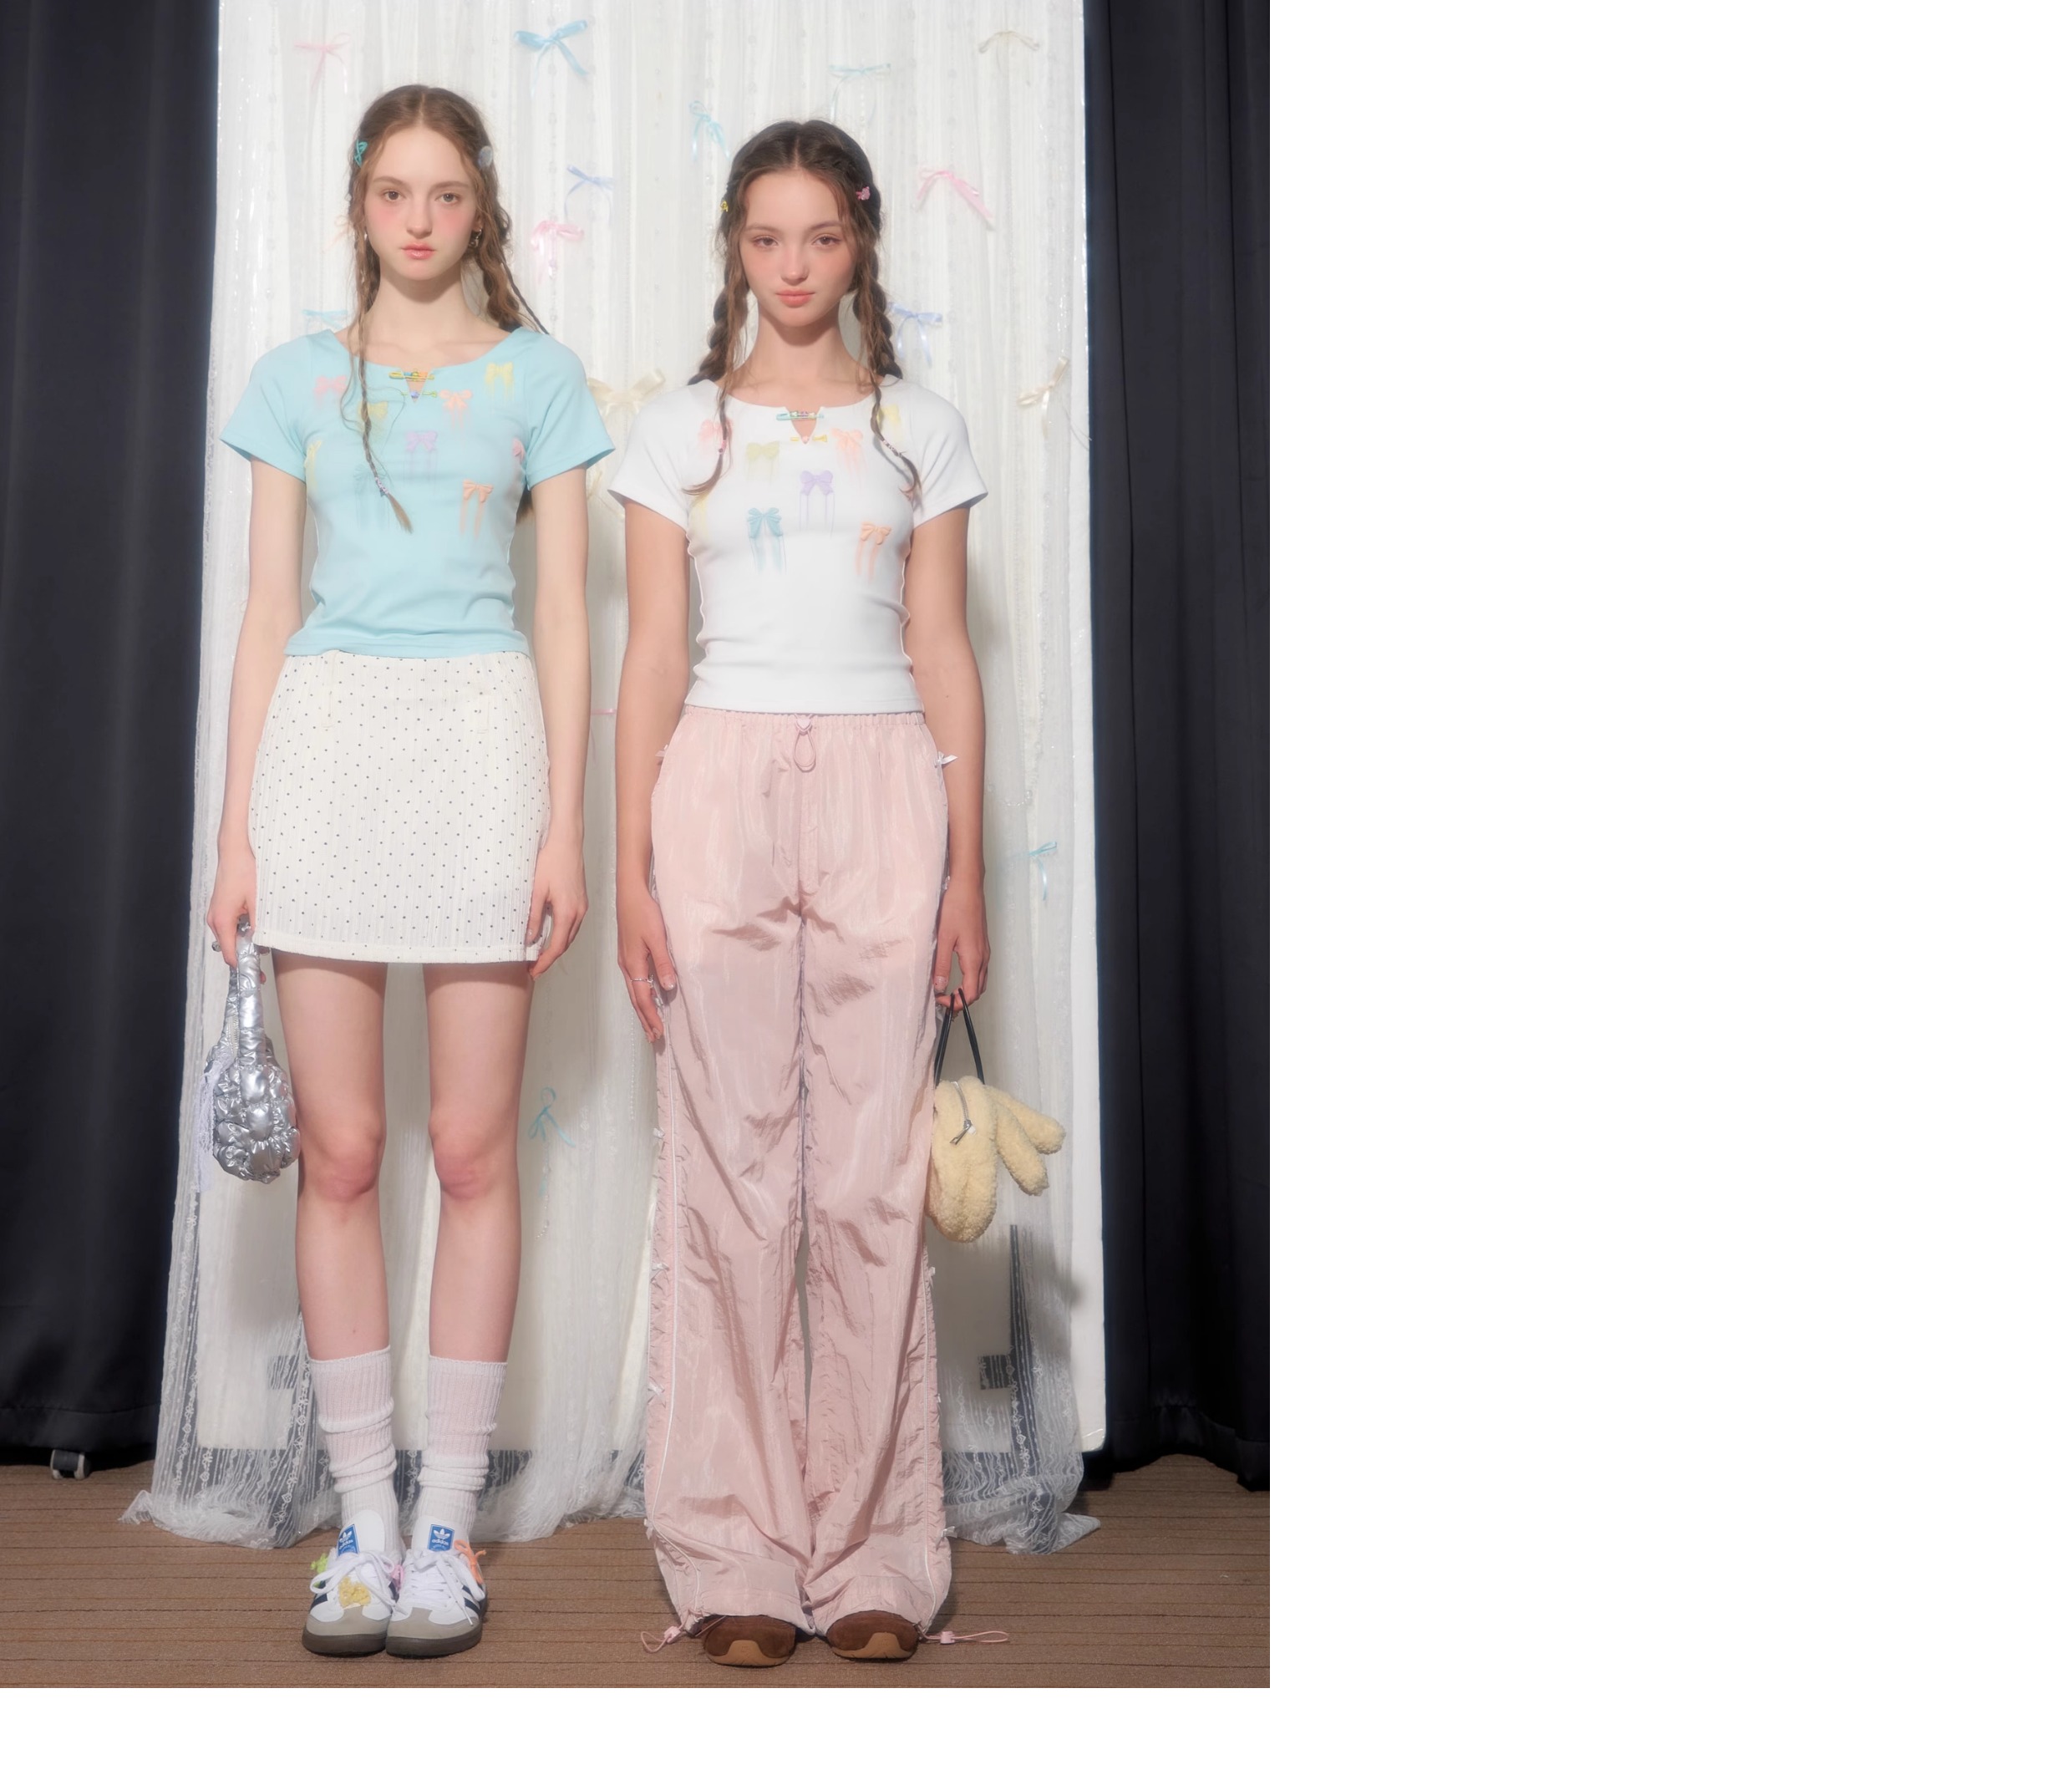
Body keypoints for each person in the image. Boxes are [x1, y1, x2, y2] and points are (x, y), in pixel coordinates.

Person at [206, 84, 611, 1659]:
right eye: (395, 193)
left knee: (471, 1148)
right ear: (359, 207)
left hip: (483, 743)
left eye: (447, 194)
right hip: (325, 751)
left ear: (479, 208)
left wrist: (564, 823)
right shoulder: (295, 378)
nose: (421, 220)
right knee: (344, 1151)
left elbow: (565, 615)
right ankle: (361, 1525)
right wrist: (235, 833)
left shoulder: (540, 378)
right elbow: (265, 612)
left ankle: (448, 1525)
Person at [610, 120, 990, 1667]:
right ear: (734, 247)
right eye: (765, 238)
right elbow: (650, 656)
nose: (791, 266)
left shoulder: (922, 430)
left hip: (890, 785)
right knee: (735, 1180)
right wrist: (632, 865)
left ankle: (879, 1547)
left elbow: (944, 647)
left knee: (868, 1180)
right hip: (716, 785)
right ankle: (737, 1552)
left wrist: (966, 872)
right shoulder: (674, 434)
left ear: (860, 246)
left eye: (819, 237)